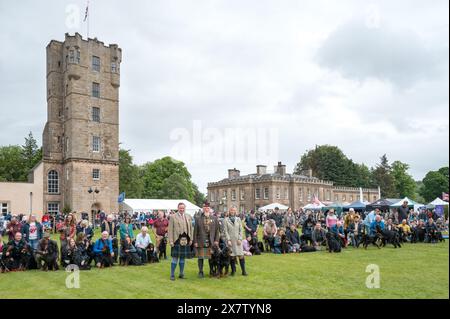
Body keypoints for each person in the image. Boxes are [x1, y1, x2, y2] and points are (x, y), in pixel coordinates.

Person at [193, 202, 220, 278]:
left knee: (211, 258)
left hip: (211, 241)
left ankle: (212, 271)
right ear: (203, 208)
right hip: (201, 240)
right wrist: (195, 241)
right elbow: (195, 231)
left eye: (207, 208)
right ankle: (200, 271)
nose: (206, 209)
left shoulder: (214, 218)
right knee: (201, 257)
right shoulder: (198, 218)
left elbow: (217, 231)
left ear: (210, 209)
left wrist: (216, 240)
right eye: (205, 207)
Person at [168, 202, 194, 281]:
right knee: (175, 258)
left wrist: (191, 239)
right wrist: (171, 240)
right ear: (178, 208)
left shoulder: (188, 216)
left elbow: (191, 228)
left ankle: (181, 274)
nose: (182, 209)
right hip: (176, 239)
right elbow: (170, 230)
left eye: (183, 208)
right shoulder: (173, 217)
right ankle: (172, 274)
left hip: (186, 239)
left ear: (184, 208)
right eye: (180, 208)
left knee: (183, 258)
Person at [224, 206, 248, 276]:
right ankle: (233, 271)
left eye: (234, 210)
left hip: (238, 241)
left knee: (241, 255)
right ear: (229, 211)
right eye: (231, 210)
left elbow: (241, 230)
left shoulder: (238, 219)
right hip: (230, 241)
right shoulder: (226, 220)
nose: (232, 211)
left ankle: (243, 271)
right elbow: (225, 231)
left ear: (235, 211)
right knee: (232, 256)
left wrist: (240, 239)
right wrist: (228, 240)